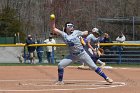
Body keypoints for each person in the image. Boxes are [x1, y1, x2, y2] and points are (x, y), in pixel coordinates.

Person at [50, 15, 113, 85]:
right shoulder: (63, 34)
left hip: (82, 54)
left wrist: (88, 31)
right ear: (66, 28)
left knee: (94, 67)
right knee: (60, 65)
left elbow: (85, 33)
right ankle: (60, 81)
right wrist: (53, 20)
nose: (72, 27)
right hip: (72, 55)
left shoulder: (76, 32)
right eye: (70, 26)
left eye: (72, 26)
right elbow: (54, 29)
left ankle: (106, 78)